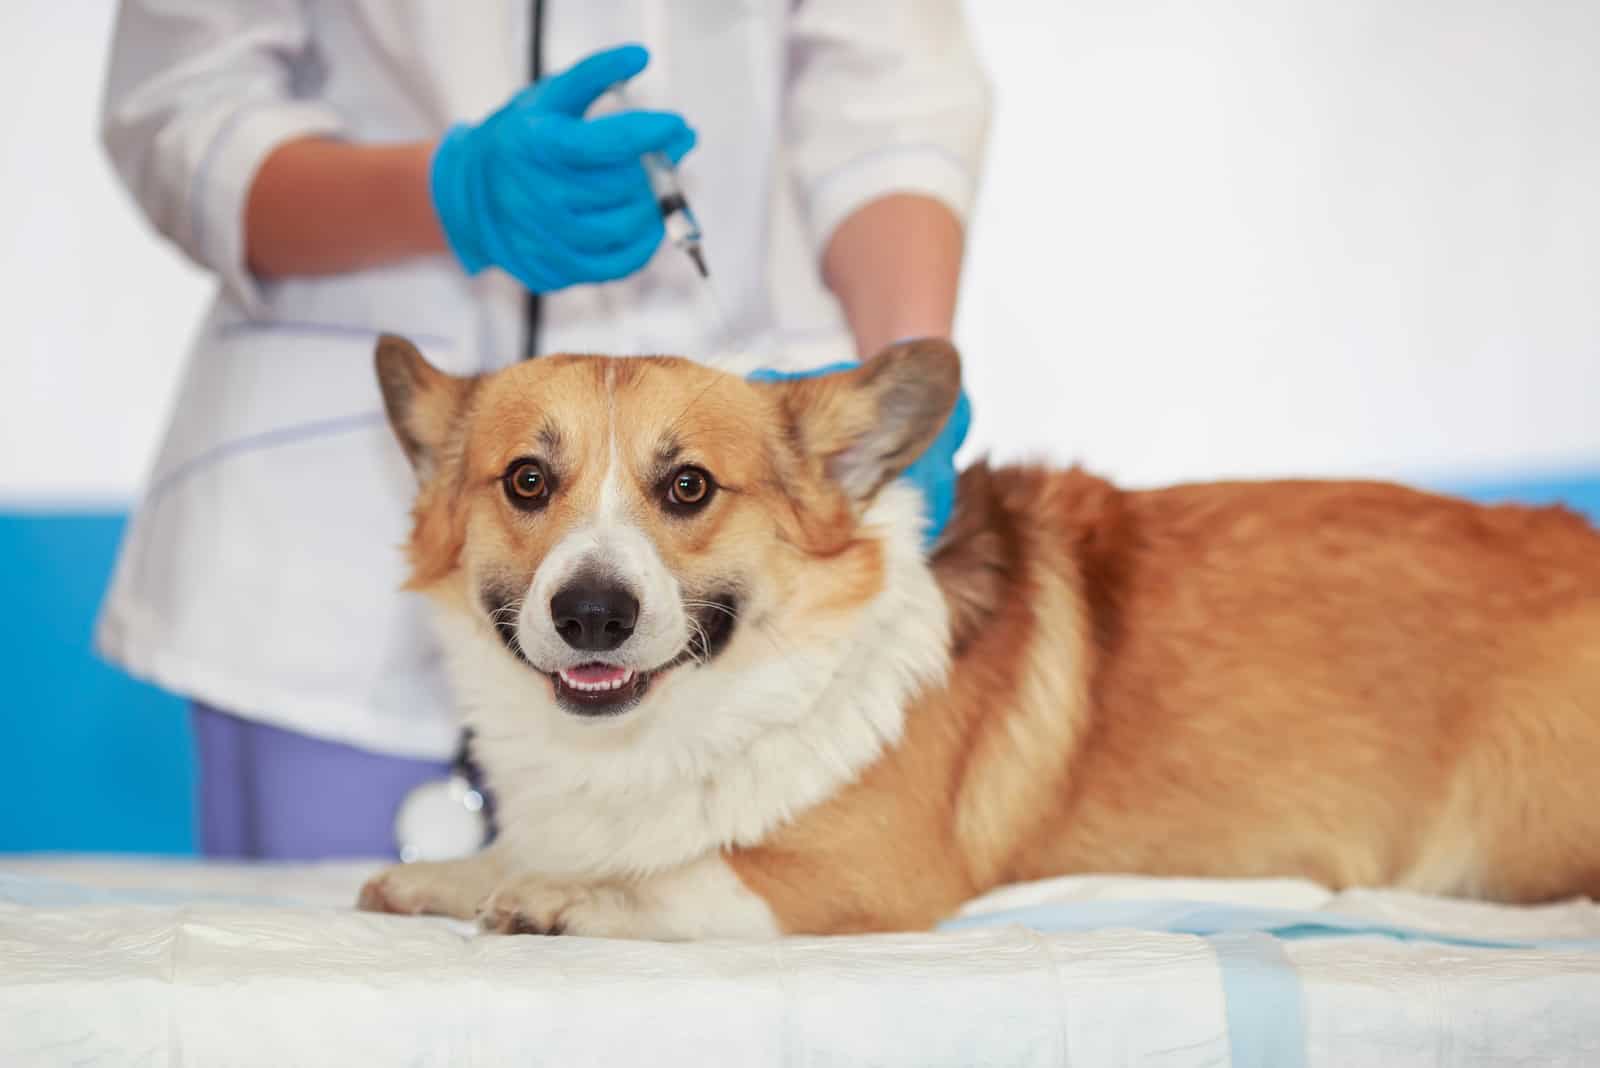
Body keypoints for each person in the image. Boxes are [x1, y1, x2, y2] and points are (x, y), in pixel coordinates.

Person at [97, 2, 992, 860]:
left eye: (681, 488)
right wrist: (446, 193)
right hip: (324, 577)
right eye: (532, 482)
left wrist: (895, 375)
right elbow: (182, 104)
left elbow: (892, 97)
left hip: (754, 635)